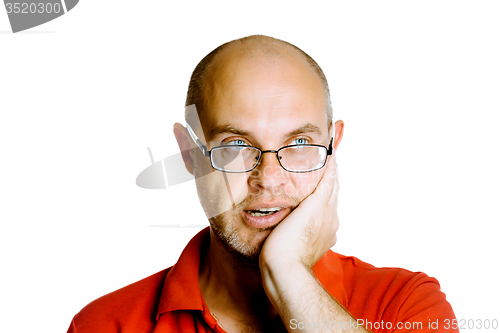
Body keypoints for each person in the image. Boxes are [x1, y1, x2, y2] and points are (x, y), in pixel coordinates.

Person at [67, 35, 457, 333]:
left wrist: (287, 271)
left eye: (299, 144)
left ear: (333, 146)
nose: (269, 178)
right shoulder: (105, 324)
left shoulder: (405, 304)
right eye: (236, 145)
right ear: (189, 154)